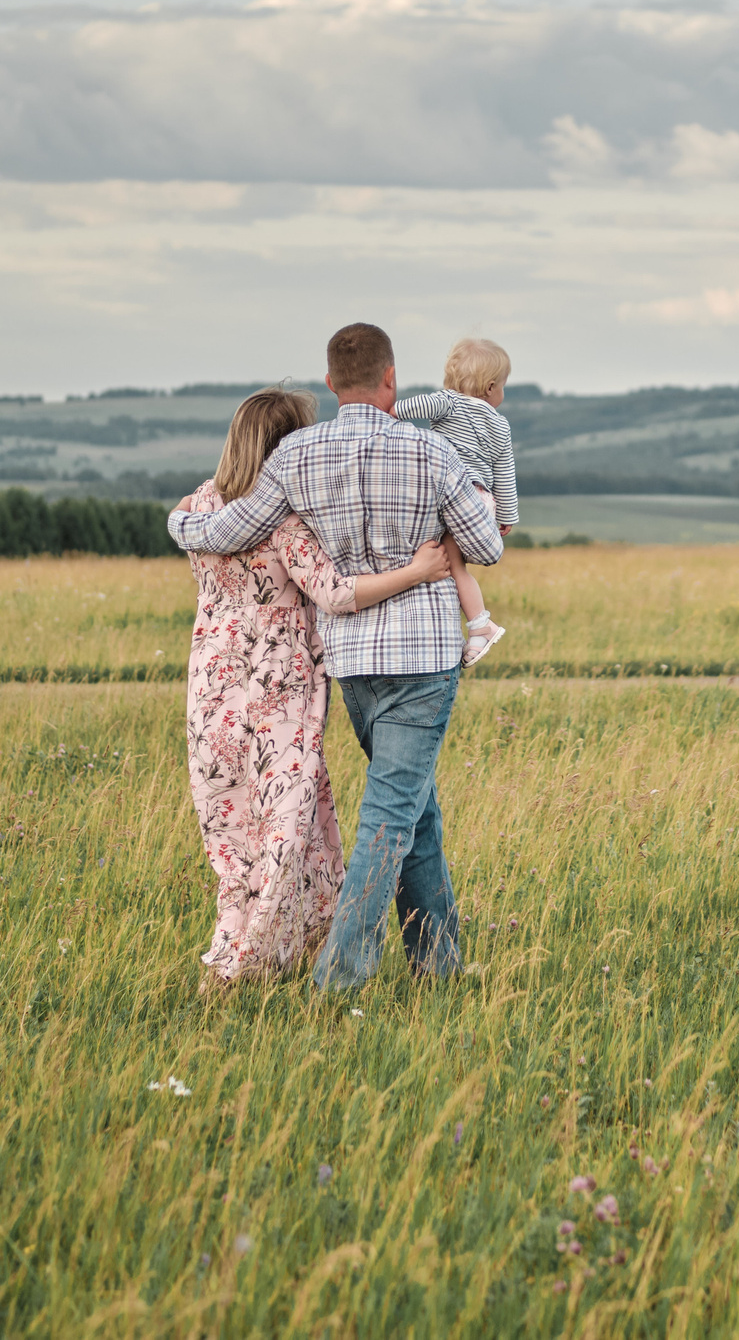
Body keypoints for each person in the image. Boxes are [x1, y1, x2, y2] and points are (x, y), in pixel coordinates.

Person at [169, 323, 505, 993]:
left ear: (331, 382)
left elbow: (229, 528)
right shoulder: (429, 452)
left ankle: (439, 963)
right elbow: (487, 545)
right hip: (420, 658)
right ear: (391, 379)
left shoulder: (294, 458)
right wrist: (442, 547)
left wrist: (183, 525)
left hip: (348, 662)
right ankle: (340, 974)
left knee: (414, 806)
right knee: (391, 813)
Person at [395, 336, 521, 665]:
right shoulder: (500, 424)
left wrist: (382, 418)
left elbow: (403, 409)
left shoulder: (448, 402)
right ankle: (478, 625)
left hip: (453, 492)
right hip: (481, 497)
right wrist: (506, 515)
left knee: (444, 562)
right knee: (455, 566)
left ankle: (480, 625)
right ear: (491, 387)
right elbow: (504, 472)